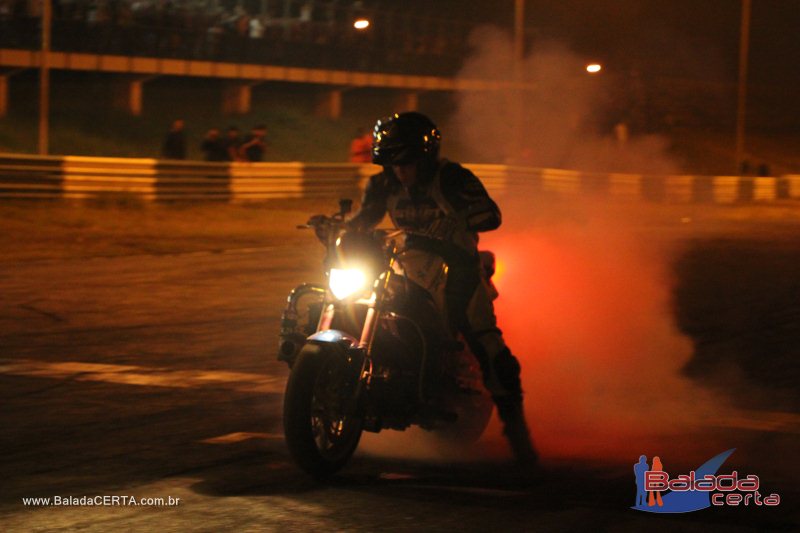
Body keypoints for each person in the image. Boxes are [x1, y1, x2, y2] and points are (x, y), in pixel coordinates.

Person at [347, 112, 538, 466]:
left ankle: (518, 434)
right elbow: (363, 220)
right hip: (406, 265)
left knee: (487, 343)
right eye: (390, 159)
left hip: (458, 268)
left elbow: (490, 215)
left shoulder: (452, 178)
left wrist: (467, 217)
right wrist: (340, 230)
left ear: (425, 155)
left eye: (405, 160)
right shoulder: (383, 184)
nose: (399, 168)